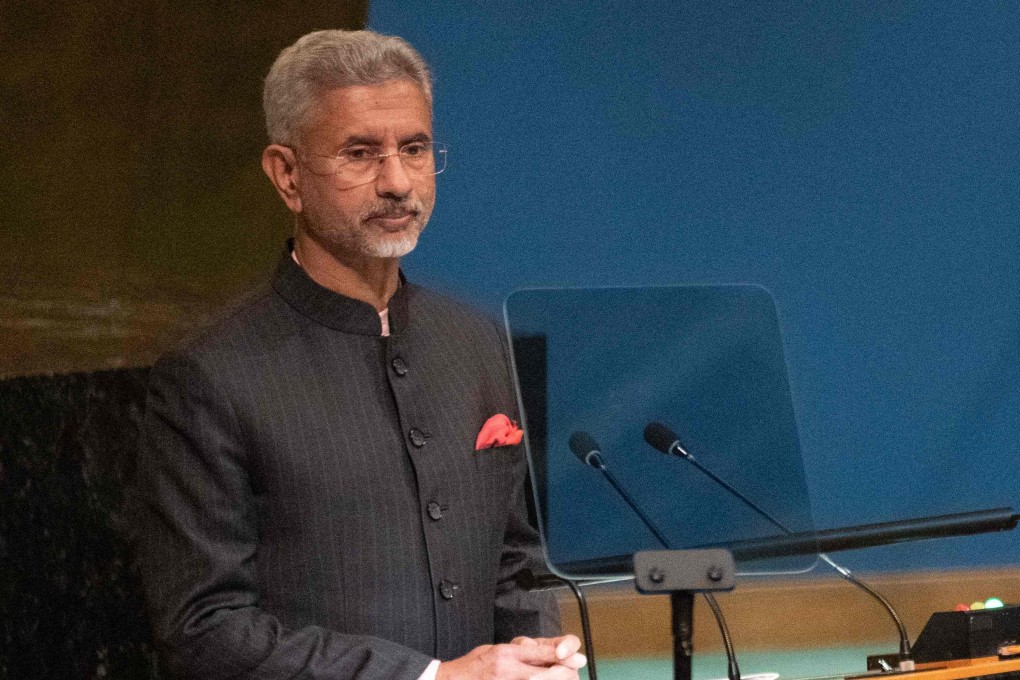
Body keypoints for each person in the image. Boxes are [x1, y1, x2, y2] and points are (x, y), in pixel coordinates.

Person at [134, 29, 586, 680]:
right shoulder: (211, 375)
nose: (398, 182)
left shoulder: (479, 340)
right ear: (287, 175)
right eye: (360, 153)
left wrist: (541, 655)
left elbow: (515, 563)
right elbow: (206, 628)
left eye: (415, 148)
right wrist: (432, 678)